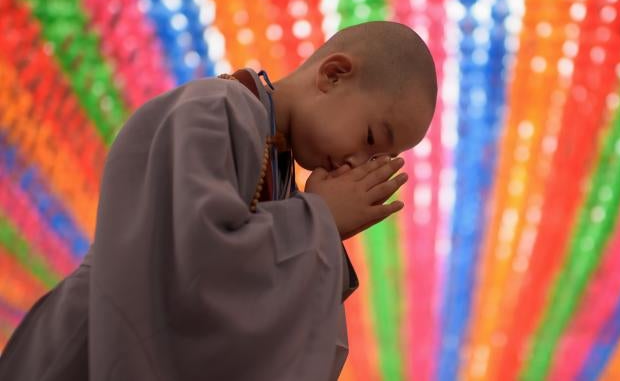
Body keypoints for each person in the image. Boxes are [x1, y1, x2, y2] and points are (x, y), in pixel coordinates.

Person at [0, 20, 438, 380]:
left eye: (380, 159)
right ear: (333, 75)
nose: (357, 165)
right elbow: (192, 265)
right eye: (369, 139)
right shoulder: (214, 111)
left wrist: (319, 230)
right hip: (82, 354)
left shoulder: (281, 174)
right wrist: (318, 221)